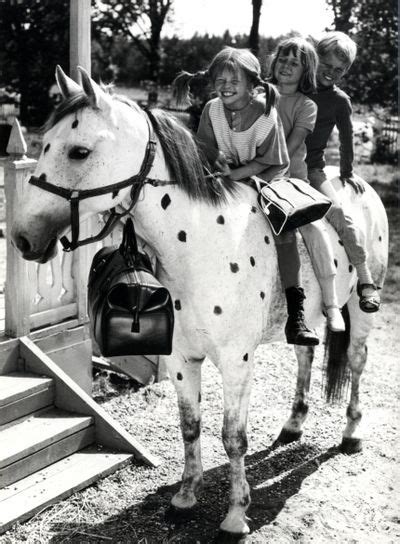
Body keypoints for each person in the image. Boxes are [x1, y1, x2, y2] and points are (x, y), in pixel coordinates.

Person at [173, 47, 319, 346]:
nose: (225, 86)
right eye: (220, 80)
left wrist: (237, 174)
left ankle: (296, 311)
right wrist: (218, 163)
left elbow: (276, 162)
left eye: (233, 80)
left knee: (284, 229)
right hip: (226, 176)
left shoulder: (267, 116)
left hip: (265, 176)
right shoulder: (213, 109)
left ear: (252, 85)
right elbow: (206, 150)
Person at [268, 36, 345, 331]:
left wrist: (258, 172)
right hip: (252, 175)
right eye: (282, 60)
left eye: (294, 63)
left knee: (311, 228)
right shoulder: (257, 94)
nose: (286, 66)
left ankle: (329, 303)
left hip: (289, 179)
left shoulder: (306, 105)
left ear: (306, 70)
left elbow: (287, 150)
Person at [305, 31, 380, 313]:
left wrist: (347, 172)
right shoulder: (295, 87)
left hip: (311, 168)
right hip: (276, 164)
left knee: (338, 213)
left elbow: (347, 140)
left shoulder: (339, 101)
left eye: (339, 70)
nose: (331, 73)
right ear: (315, 59)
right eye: (327, 65)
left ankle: (365, 277)